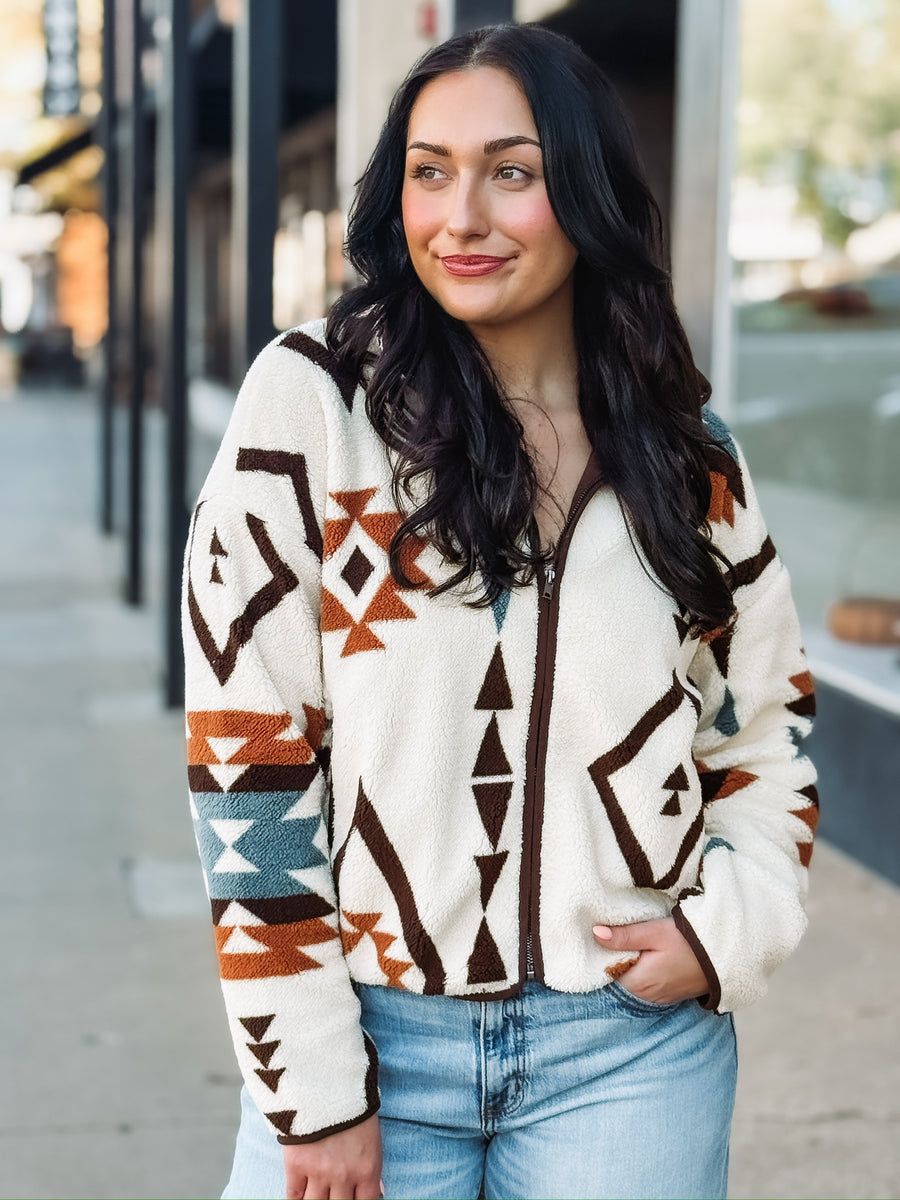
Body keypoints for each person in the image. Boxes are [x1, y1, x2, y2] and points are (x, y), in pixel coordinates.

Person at [182, 22, 818, 1200]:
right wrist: (312, 1091)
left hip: (627, 1056)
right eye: (431, 170)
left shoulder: (686, 455)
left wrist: (728, 928)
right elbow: (250, 768)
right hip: (372, 1044)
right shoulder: (313, 409)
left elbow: (765, 729)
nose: (460, 216)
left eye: (511, 172)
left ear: (583, 192)